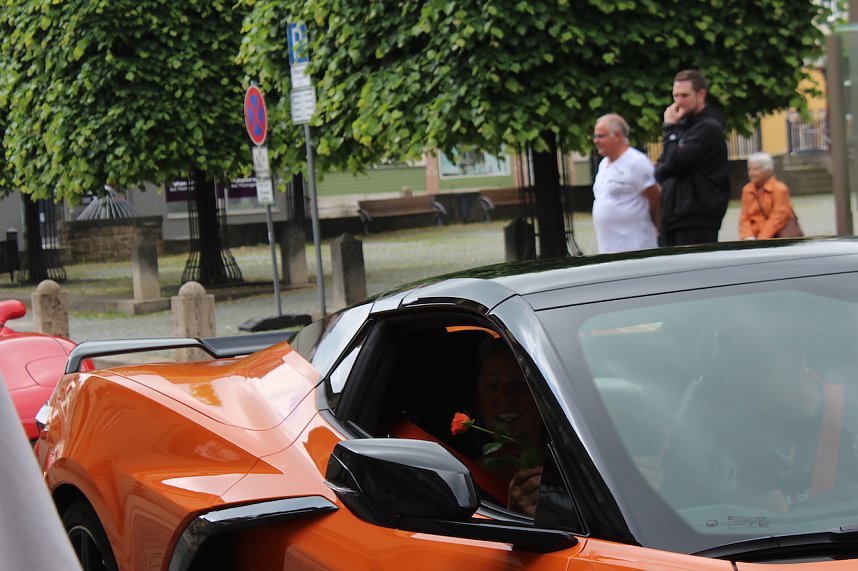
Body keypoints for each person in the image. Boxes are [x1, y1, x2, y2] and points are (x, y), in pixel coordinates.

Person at [452, 339, 546, 516]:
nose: (504, 396)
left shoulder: (576, 474)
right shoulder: (464, 484)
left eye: (519, 384)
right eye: (492, 385)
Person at [654, 69, 730, 246]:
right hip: (672, 216)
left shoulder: (708, 128)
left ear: (701, 94)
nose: (678, 101)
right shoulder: (683, 126)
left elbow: (673, 163)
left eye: (684, 95)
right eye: (675, 96)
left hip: (696, 218)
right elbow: (660, 168)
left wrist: (669, 129)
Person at [591, 113, 660, 253]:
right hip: (608, 247)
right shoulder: (604, 164)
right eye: (595, 136)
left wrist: (658, 225)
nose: (596, 141)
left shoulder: (636, 163)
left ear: (616, 136)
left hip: (635, 247)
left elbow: (656, 196)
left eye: (600, 136)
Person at [738, 152, 797, 240]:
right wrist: (747, 237)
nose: (751, 173)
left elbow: (778, 218)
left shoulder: (780, 189)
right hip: (753, 238)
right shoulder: (747, 190)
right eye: (749, 169)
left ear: (768, 171)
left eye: (755, 169)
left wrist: (761, 239)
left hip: (775, 239)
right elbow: (744, 217)